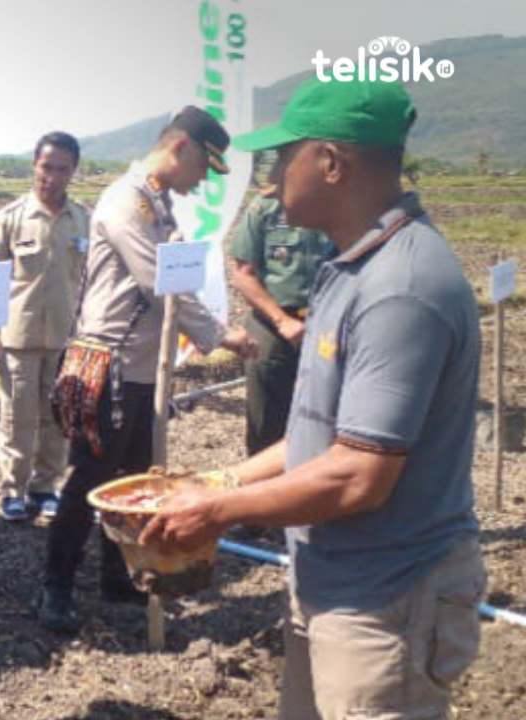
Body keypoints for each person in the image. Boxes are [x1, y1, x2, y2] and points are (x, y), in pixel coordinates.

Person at [141, 79, 486, 720]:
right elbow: (316, 432)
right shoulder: (348, 267)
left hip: (387, 604)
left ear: (330, 163)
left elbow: (358, 475)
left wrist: (218, 510)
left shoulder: (400, 288)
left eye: (282, 157)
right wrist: (216, 479)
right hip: (331, 579)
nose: (270, 178)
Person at [36, 106, 255, 634]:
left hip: (141, 370)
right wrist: (220, 333)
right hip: (108, 366)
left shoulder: (156, 202)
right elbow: (162, 280)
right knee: (88, 479)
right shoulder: (127, 202)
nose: (203, 179)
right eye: (204, 165)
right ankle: (56, 586)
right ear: (181, 148)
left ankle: (121, 576)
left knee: (133, 482)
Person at [0, 131, 90, 522]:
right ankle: (13, 490)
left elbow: (88, 277)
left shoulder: (82, 219)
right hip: (19, 336)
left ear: (73, 172)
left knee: (57, 417)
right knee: (17, 416)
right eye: (46, 167)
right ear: (35, 165)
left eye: (62, 169)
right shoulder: (10, 218)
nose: (52, 176)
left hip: (64, 336)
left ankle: (45, 488)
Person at [229, 185, 331, 457]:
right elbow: (243, 274)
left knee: (326, 415)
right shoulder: (264, 206)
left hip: (327, 324)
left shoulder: (340, 204)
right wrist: (282, 320)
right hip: (273, 324)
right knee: (267, 422)